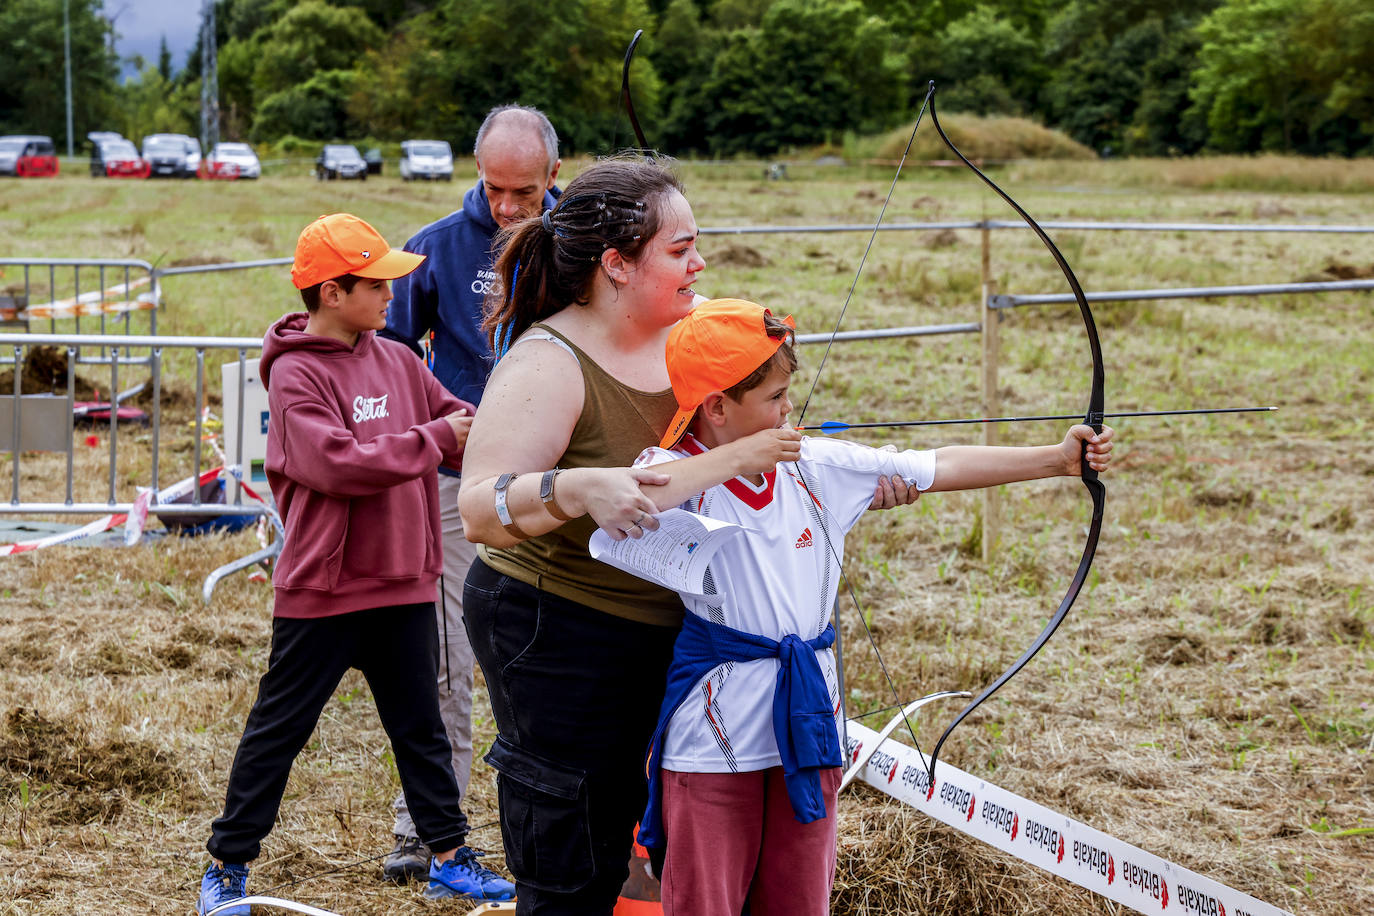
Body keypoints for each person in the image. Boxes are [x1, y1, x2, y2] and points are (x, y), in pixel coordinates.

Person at [455, 158, 919, 915]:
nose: (699, 262)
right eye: (680, 249)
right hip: (558, 629)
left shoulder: (690, 332)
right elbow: (479, 509)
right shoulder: (548, 362)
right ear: (615, 265)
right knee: (576, 852)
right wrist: (579, 487)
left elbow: (750, 433)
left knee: (657, 842)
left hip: (677, 630)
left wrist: (849, 477)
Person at [620, 298, 1115, 916]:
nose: (788, 411)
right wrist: (737, 459)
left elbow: (933, 466)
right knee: (705, 902)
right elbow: (628, 507)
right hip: (714, 732)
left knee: (801, 898)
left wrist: (1057, 460)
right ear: (717, 406)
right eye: (774, 399)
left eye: (787, 394)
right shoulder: (668, 471)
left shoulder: (811, 464)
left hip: (807, 718)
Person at [195, 213, 514, 915]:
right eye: (376, 283)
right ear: (331, 293)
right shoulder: (296, 376)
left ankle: (450, 857)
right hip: (325, 589)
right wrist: (433, 436)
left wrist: (522, 439)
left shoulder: (399, 360)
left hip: (403, 581)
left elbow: (462, 426)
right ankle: (227, 864)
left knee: (421, 728)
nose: (394, 293)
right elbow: (336, 463)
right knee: (279, 731)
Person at [377, 104, 562, 882]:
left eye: (524, 192)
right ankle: (426, 827)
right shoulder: (436, 249)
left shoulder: (586, 245)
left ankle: (564, 829)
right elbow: (383, 357)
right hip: (459, 491)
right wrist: (432, 427)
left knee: (554, 658)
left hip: (562, 490)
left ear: (555, 177)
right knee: (448, 660)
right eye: (493, 189)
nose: (508, 207)